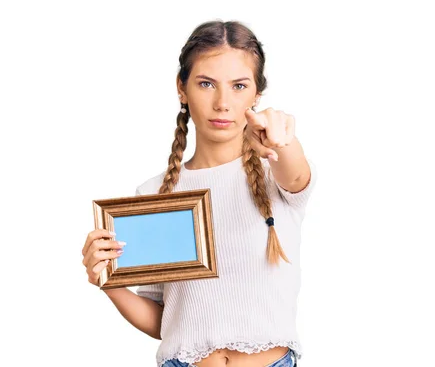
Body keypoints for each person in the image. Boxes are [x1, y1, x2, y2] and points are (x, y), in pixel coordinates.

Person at [80, 20, 317, 367]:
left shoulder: (276, 170)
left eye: (239, 86)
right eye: (206, 83)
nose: (222, 103)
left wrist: (284, 140)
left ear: (257, 94)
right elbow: (165, 322)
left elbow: (296, 174)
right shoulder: (155, 194)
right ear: (182, 88)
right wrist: (108, 282)